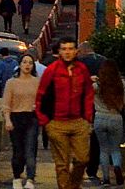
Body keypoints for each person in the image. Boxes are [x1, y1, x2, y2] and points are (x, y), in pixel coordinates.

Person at [35, 37, 95, 189]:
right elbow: (41, 95)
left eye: (70, 49)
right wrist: (45, 121)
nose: (67, 52)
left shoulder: (82, 70)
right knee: (62, 163)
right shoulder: (52, 71)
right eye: (64, 49)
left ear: (76, 51)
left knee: (82, 159)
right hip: (56, 122)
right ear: (59, 52)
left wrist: (87, 118)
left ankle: (73, 186)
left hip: (78, 121)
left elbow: (88, 93)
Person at [3, 53, 40, 189]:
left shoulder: (37, 82)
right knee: (18, 150)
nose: (27, 65)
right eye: (24, 62)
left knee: (30, 149)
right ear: (19, 65)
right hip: (16, 117)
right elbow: (6, 104)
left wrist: (38, 107)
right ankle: (17, 177)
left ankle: (30, 178)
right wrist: (7, 120)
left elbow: (42, 100)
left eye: (30, 63)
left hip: (31, 117)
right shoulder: (11, 83)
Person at [93, 59, 125, 186]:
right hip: (116, 118)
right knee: (115, 148)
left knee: (103, 149)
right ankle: (117, 166)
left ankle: (106, 178)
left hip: (100, 117)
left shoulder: (97, 85)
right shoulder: (121, 84)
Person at [77, 41, 109, 181]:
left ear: (83, 51)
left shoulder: (79, 63)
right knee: (96, 139)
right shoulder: (104, 61)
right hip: (101, 107)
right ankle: (92, 169)